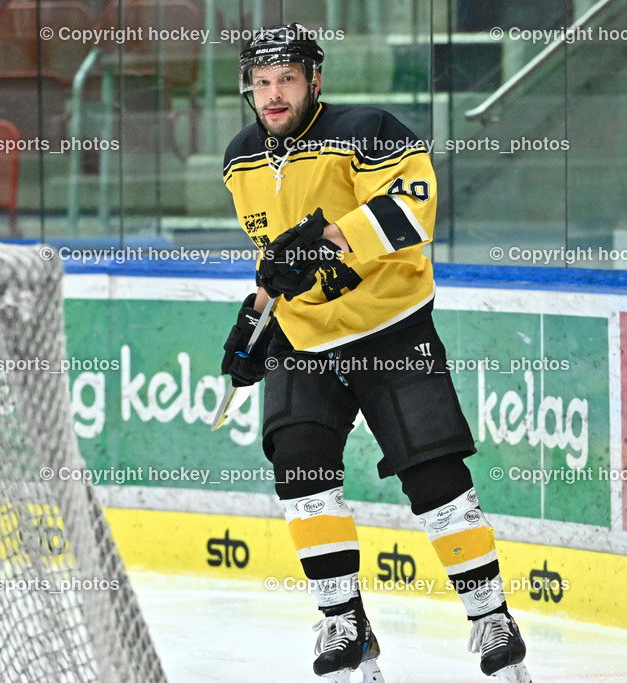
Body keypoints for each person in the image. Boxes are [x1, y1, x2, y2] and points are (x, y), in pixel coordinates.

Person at [219, 23, 532, 683]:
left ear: (315, 81)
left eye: (287, 79)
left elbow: (414, 209)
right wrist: (255, 319)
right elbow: (275, 259)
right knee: (300, 470)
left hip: (391, 327)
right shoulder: (240, 159)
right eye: (262, 82)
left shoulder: (368, 130)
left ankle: (491, 616)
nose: (273, 95)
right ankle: (344, 622)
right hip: (305, 339)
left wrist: (327, 238)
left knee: (434, 474)